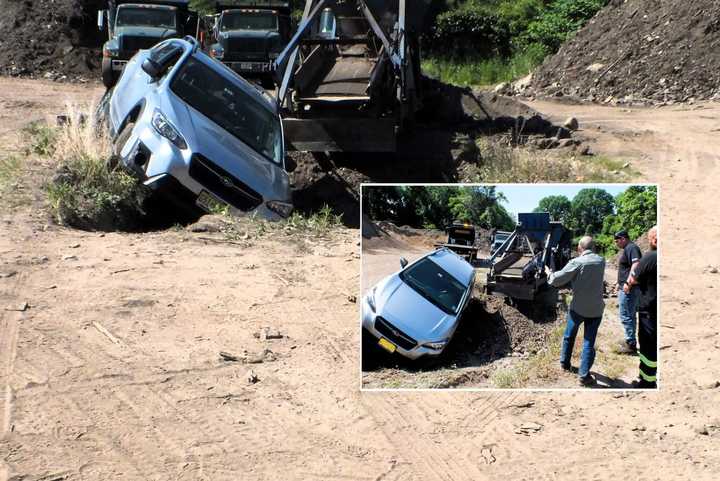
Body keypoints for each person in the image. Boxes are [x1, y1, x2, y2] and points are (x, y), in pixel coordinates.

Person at [546, 236, 606, 387]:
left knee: (569, 335)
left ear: (580, 248)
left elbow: (556, 280)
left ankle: (565, 363)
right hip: (596, 309)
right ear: (593, 248)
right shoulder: (601, 261)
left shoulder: (576, 262)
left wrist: (549, 272)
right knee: (588, 342)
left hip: (578, 308)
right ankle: (584, 376)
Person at [626, 226, 658, 388]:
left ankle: (647, 381)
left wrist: (627, 284)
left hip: (648, 310)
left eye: (648, 238)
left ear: (655, 240)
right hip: (656, 309)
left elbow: (634, 279)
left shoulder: (651, 257)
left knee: (647, 346)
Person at [615, 230, 642, 353]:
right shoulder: (628, 249)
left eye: (617, 240)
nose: (616, 243)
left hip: (629, 289)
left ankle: (630, 344)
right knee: (630, 315)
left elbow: (636, 264)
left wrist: (627, 283)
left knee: (626, 315)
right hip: (626, 287)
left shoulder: (631, 248)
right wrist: (619, 283)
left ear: (623, 238)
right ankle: (630, 340)